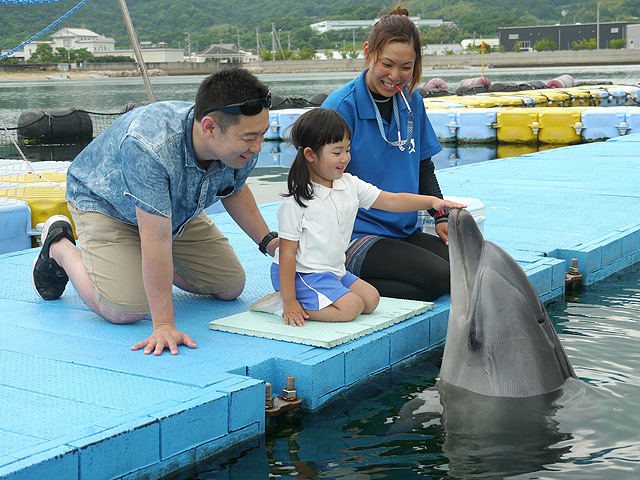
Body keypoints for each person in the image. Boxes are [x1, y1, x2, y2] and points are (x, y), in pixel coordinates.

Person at [31, 67, 280, 356]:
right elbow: (157, 240)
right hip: (106, 204)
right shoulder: (150, 145)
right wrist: (163, 325)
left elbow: (234, 189)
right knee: (124, 310)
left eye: (263, 134)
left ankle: (132, 262)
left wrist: (270, 242)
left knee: (229, 287)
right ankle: (59, 246)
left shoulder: (240, 144)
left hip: (172, 209)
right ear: (210, 127)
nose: (258, 146)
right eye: (251, 137)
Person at [250, 109, 465, 326]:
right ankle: (279, 305)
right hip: (302, 274)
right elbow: (287, 254)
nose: (345, 158)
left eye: (347, 150)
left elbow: (391, 201)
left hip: (333, 270)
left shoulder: (349, 184)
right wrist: (290, 300)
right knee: (350, 308)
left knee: (371, 300)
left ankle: (315, 298)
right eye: (336, 152)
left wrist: (432, 202)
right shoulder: (298, 202)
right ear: (310, 154)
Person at [321, 5, 452, 302]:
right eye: (387, 64)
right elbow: (317, 183)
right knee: (436, 279)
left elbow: (422, 166)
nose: (396, 76)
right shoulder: (341, 107)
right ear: (368, 53)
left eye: (406, 67)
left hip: (400, 229)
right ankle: (342, 282)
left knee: (464, 268)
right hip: (354, 236)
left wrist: (440, 215)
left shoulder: (411, 101)